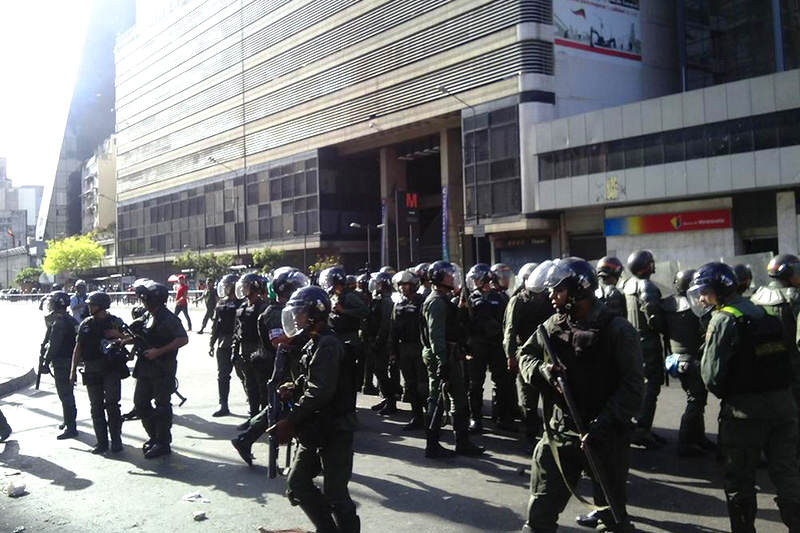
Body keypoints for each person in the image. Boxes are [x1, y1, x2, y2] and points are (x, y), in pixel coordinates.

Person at [518, 257, 642, 533]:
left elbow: (633, 388)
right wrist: (544, 371)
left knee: (611, 518)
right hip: (560, 433)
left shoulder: (617, 330)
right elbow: (525, 355)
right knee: (539, 514)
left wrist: (602, 426)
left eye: (558, 290)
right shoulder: (553, 325)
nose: (551, 296)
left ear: (579, 291)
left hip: (605, 437)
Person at [692, 262, 800, 531]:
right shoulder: (761, 311)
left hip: (744, 414)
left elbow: (711, 377)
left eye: (705, 291)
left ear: (720, 289)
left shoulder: (723, 319)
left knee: (739, 479)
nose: (701, 298)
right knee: (787, 474)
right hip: (783, 407)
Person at [272, 285, 361, 533]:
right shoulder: (314, 342)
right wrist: (294, 387)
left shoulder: (328, 344)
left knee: (336, 495)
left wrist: (290, 420)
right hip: (314, 427)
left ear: (314, 314)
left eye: (300, 312)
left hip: (334, 429)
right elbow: (312, 381)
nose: (296, 318)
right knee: (297, 483)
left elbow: (320, 392)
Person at [231, 267, 309, 464]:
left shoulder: (285, 309)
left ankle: (246, 438)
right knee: (279, 404)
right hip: (280, 365)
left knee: (279, 405)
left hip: (286, 363)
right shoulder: (276, 313)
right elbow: (278, 342)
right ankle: (246, 438)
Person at [421, 260, 484, 458]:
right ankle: (432, 445)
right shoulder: (436, 302)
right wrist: (443, 363)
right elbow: (436, 336)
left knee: (458, 398)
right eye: (449, 275)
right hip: (443, 355)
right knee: (437, 398)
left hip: (450, 353)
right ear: (439, 278)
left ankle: (462, 442)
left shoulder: (444, 299)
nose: (453, 277)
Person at [131, 280, 188, 458]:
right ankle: (154, 436)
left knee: (162, 407)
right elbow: (138, 334)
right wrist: (123, 341)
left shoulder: (168, 318)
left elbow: (182, 339)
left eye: (146, 298)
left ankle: (163, 443)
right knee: (140, 404)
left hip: (162, 368)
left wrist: (159, 352)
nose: (143, 301)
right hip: (145, 368)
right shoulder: (148, 316)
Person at [662, 269, 715, 457]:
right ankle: (685, 442)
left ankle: (698, 437)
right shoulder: (697, 307)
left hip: (675, 359)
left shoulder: (666, 304)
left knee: (695, 398)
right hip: (693, 359)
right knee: (696, 400)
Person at [504, 261, 555, 449]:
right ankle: (529, 437)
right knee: (528, 401)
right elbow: (510, 330)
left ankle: (550, 436)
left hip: (548, 355)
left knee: (550, 398)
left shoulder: (549, 298)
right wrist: (510, 356)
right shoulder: (518, 300)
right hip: (526, 355)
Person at [69, 291, 127, 454]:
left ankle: (116, 440)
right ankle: (102, 442)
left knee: (112, 405)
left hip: (111, 369)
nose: (89, 306)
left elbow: (133, 338)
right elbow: (78, 347)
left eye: (92, 304)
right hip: (91, 368)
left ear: (100, 306)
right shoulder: (86, 324)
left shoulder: (115, 322)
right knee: (96, 407)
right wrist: (72, 371)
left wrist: (117, 336)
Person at [622, 250, 666, 449]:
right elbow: (654, 318)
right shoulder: (646, 286)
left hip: (634, 341)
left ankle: (641, 426)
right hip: (648, 342)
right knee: (651, 387)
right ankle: (643, 429)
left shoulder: (627, 285)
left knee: (641, 385)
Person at [463, 263, 515, 433]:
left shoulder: (500, 298)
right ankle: (475, 418)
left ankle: (502, 416)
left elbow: (507, 322)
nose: (475, 282)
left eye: (477, 278)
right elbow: (463, 322)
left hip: (496, 344)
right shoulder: (469, 298)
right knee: (475, 383)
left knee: (501, 382)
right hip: (477, 345)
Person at [320, 266, 368, 395]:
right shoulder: (332, 295)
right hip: (336, 337)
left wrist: (344, 311)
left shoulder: (349, 296)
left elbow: (364, 312)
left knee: (348, 372)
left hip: (349, 339)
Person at [391, 269, 427, 430]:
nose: (402, 288)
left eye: (405, 284)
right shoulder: (398, 304)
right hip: (404, 348)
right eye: (400, 285)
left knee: (423, 385)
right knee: (410, 385)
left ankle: (432, 417)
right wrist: (392, 351)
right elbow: (393, 328)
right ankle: (417, 416)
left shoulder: (422, 302)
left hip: (419, 347)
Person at [233, 273, 270, 426]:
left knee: (262, 386)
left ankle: (264, 419)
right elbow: (237, 330)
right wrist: (235, 351)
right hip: (244, 351)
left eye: (246, 286)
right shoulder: (242, 306)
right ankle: (253, 417)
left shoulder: (263, 307)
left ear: (255, 288)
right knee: (250, 385)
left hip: (259, 350)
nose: (243, 288)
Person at [43, 291, 79, 440]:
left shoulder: (58, 323)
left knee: (65, 395)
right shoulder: (70, 320)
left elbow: (54, 345)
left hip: (62, 362)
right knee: (68, 394)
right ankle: (68, 420)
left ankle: (71, 427)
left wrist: (46, 361)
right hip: (70, 360)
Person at [366, 271, 398, 415]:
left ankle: (391, 401)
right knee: (379, 372)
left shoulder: (386, 301)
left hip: (383, 343)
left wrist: (378, 341)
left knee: (381, 371)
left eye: (377, 283)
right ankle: (386, 397)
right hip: (376, 340)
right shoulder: (377, 299)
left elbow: (385, 324)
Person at [208, 274, 240, 417]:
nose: (226, 288)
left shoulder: (244, 303)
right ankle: (223, 404)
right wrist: (211, 343)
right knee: (223, 375)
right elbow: (216, 325)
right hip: (223, 343)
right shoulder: (221, 303)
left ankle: (254, 405)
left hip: (240, 342)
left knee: (245, 375)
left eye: (228, 285)